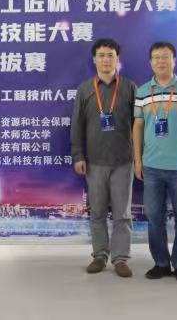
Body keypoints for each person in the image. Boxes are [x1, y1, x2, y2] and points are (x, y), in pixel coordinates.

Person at [133, 41, 177, 282]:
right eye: (156, 57)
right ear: (150, 62)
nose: (161, 61)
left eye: (165, 57)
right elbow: (137, 127)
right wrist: (138, 160)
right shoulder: (143, 91)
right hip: (151, 166)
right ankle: (161, 263)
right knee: (154, 219)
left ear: (174, 60)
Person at [71, 38, 137, 277]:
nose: (106, 59)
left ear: (117, 59)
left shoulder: (130, 88)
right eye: (101, 55)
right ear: (94, 59)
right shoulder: (85, 89)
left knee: (122, 214)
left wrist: (139, 156)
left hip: (124, 161)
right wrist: (78, 155)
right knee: (97, 212)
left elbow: (138, 124)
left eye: (110, 55)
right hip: (94, 162)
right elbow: (77, 125)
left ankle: (120, 259)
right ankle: (99, 255)